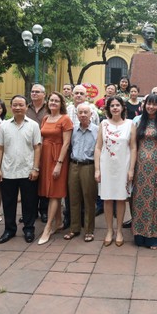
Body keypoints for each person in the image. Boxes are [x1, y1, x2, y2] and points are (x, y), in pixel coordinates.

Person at [0, 95, 42, 244]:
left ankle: (28, 228)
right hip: (8, 170)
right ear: (11, 107)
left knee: (29, 202)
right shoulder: (4, 126)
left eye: (21, 105)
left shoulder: (33, 125)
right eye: (15, 105)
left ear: (26, 107)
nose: (18, 107)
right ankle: (9, 229)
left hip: (28, 170)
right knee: (8, 202)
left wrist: (35, 168)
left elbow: (37, 147)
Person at [95, 95, 137, 247]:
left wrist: (131, 169)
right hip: (106, 166)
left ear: (123, 108)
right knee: (107, 199)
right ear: (108, 108)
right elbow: (98, 147)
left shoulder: (130, 124)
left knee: (120, 199)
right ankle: (109, 230)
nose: (115, 108)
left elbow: (133, 147)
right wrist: (97, 169)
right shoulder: (103, 124)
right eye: (112, 105)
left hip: (123, 167)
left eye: (117, 105)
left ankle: (119, 230)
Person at [131, 95, 157, 249]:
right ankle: (140, 235)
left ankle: (154, 237)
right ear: (144, 105)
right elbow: (133, 145)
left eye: (154, 104)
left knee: (156, 201)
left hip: (156, 165)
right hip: (139, 166)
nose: (151, 107)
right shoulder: (139, 122)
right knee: (139, 200)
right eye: (149, 104)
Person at [37, 91, 73, 245]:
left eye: (56, 101)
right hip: (45, 157)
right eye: (51, 100)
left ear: (61, 104)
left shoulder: (65, 119)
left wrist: (59, 163)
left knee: (55, 193)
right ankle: (58, 222)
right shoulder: (45, 118)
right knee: (49, 190)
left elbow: (66, 143)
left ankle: (48, 227)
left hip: (58, 157)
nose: (53, 103)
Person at [66, 103, 99, 242]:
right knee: (73, 198)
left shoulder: (98, 130)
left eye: (86, 112)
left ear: (91, 114)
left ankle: (89, 230)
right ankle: (74, 228)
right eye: (80, 113)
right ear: (77, 115)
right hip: (73, 165)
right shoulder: (72, 130)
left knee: (89, 199)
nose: (83, 115)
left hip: (89, 166)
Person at [26, 84, 49, 222]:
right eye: (32, 91)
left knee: (44, 180)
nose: (34, 94)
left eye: (37, 92)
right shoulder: (26, 108)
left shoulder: (49, 108)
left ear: (44, 94)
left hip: (45, 147)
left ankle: (44, 210)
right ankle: (31, 211)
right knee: (29, 181)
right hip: (27, 149)